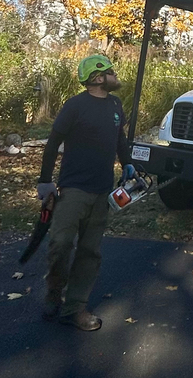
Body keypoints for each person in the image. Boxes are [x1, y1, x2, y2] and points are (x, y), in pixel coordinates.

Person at [36, 54, 135, 331]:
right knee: (61, 244)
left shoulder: (115, 104)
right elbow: (53, 141)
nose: (116, 76)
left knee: (90, 251)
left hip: (103, 190)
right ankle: (54, 294)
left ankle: (74, 308)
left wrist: (127, 163)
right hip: (73, 189)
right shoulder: (75, 106)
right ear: (98, 77)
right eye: (111, 71)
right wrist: (46, 182)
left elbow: (119, 139)